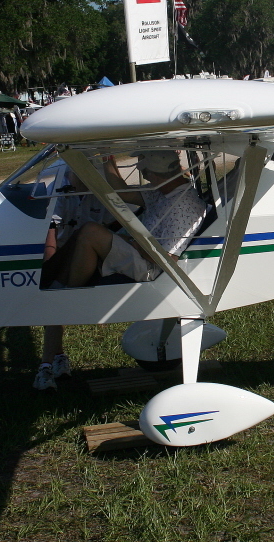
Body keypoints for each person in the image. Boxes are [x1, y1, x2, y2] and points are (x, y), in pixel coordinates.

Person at [33, 150, 208, 390]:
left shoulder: (184, 205)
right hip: (136, 253)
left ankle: (69, 297)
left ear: (152, 172)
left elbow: (167, 259)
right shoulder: (165, 192)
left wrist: (133, 243)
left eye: (144, 170)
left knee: (90, 232)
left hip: (147, 268)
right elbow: (120, 190)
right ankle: (60, 289)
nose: (143, 175)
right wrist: (108, 159)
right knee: (80, 240)